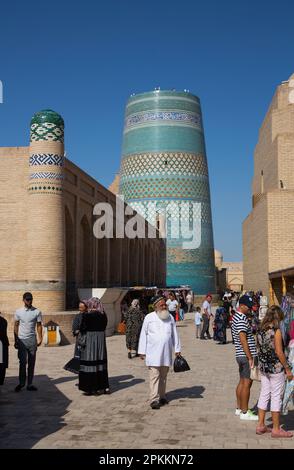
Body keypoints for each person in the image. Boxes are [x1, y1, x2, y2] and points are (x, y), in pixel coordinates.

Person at [256, 305, 293, 438]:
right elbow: (279, 352)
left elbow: (258, 348)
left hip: (264, 367)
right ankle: (276, 429)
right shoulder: (275, 331)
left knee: (264, 394)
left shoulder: (260, 329)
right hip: (276, 368)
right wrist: (287, 368)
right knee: (276, 396)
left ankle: (260, 425)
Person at [138, 295, 181, 409]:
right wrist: (142, 351)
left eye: (164, 304)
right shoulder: (149, 317)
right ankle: (154, 399)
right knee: (154, 376)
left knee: (163, 376)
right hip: (153, 353)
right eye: (161, 305)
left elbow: (174, 334)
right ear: (155, 306)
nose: (164, 306)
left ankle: (162, 397)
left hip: (166, 353)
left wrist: (177, 349)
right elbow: (143, 334)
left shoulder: (170, 317)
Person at [231, 295, 258, 420]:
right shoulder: (241, 318)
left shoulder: (237, 317)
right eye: (248, 307)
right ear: (241, 306)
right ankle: (245, 411)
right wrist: (250, 357)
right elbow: (243, 339)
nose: (250, 309)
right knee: (247, 383)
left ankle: (239, 408)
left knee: (242, 382)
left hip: (240, 355)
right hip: (245, 355)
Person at [78, 297, 110, 396]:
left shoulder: (87, 315)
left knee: (90, 364)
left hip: (90, 341)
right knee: (100, 364)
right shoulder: (103, 315)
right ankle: (102, 387)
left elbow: (82, 327)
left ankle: (91, 388)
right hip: (100, 341)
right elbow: (104, 326)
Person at [14, 292, 43, 392]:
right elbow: (16, 325)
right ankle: (21, 383)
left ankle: (29, 384)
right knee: (22, 362)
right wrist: (16, 339)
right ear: (23, 300)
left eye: (30, 299)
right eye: (27, 299)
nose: (29, 301)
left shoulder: (37, 311)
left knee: (31, 362)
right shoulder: (18, 312)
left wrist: (40, 338)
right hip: (22, 339)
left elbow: (39, 325)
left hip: (32, 340)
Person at [64, 301, 88, 375]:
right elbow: (75, 330)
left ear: (86, 307)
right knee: (79, 360)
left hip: (88, 341)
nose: (80, 308)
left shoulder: (89, 316)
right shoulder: (77, 317)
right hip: (80, 341)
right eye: (79, 307)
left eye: (81, 307)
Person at [0, 312, 9, 386]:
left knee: (2, 364)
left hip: (2, 343)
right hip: (3, 343)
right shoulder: (4, 320)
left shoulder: (3, 321)